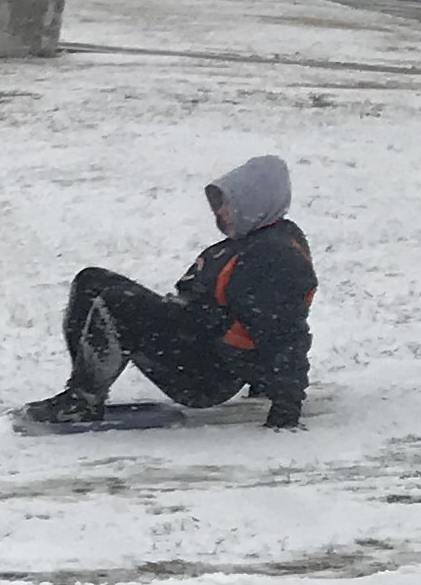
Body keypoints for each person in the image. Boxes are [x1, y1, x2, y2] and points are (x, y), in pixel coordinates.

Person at [24, 154, 316, 429]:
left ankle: (82, 402)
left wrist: (285, 408)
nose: (219, 211)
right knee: (92, 282)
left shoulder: (273, 256)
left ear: (254, 203)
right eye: (219, 203)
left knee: (116, 304)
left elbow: (284, 333)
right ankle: (84, 389)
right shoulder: (252, 240)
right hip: (192, 343)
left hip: (206, 373)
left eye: (227, 203)